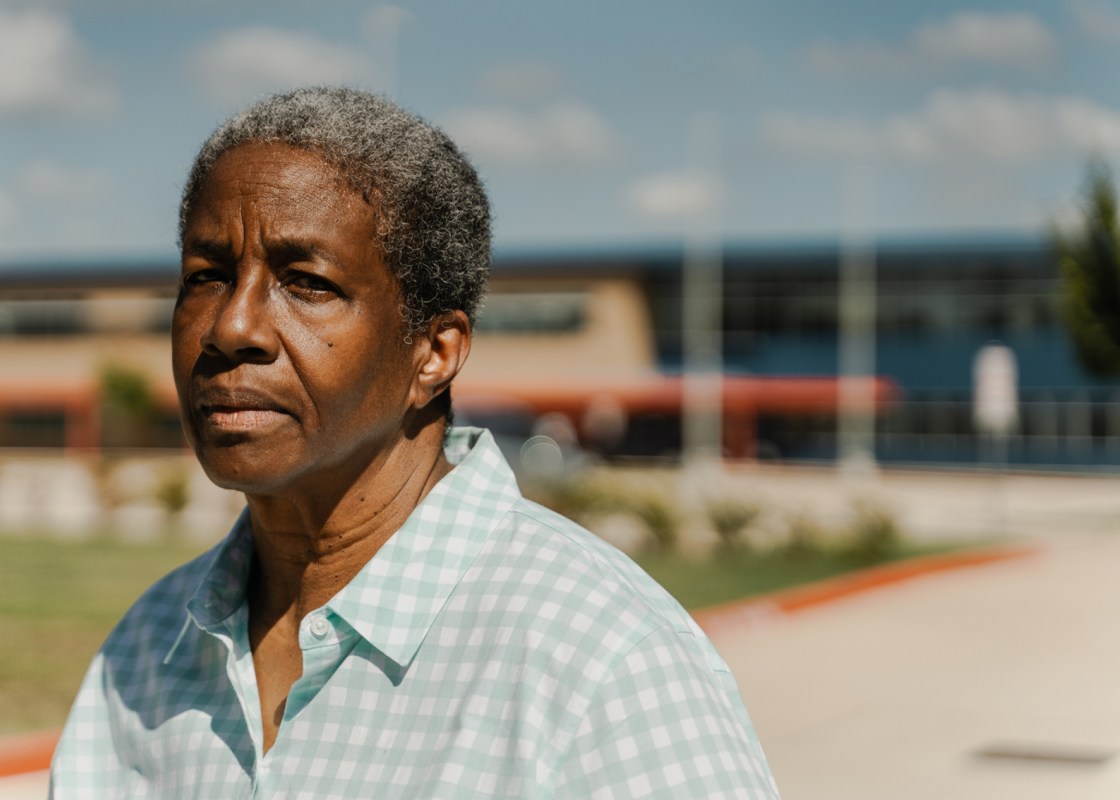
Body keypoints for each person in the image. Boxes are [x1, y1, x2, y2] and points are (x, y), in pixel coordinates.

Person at [50, 86, 779, 799]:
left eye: (306, 282)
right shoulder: (147, 649)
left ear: (433, 352)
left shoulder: (602, 661)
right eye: (206, 276)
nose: (231, 328)